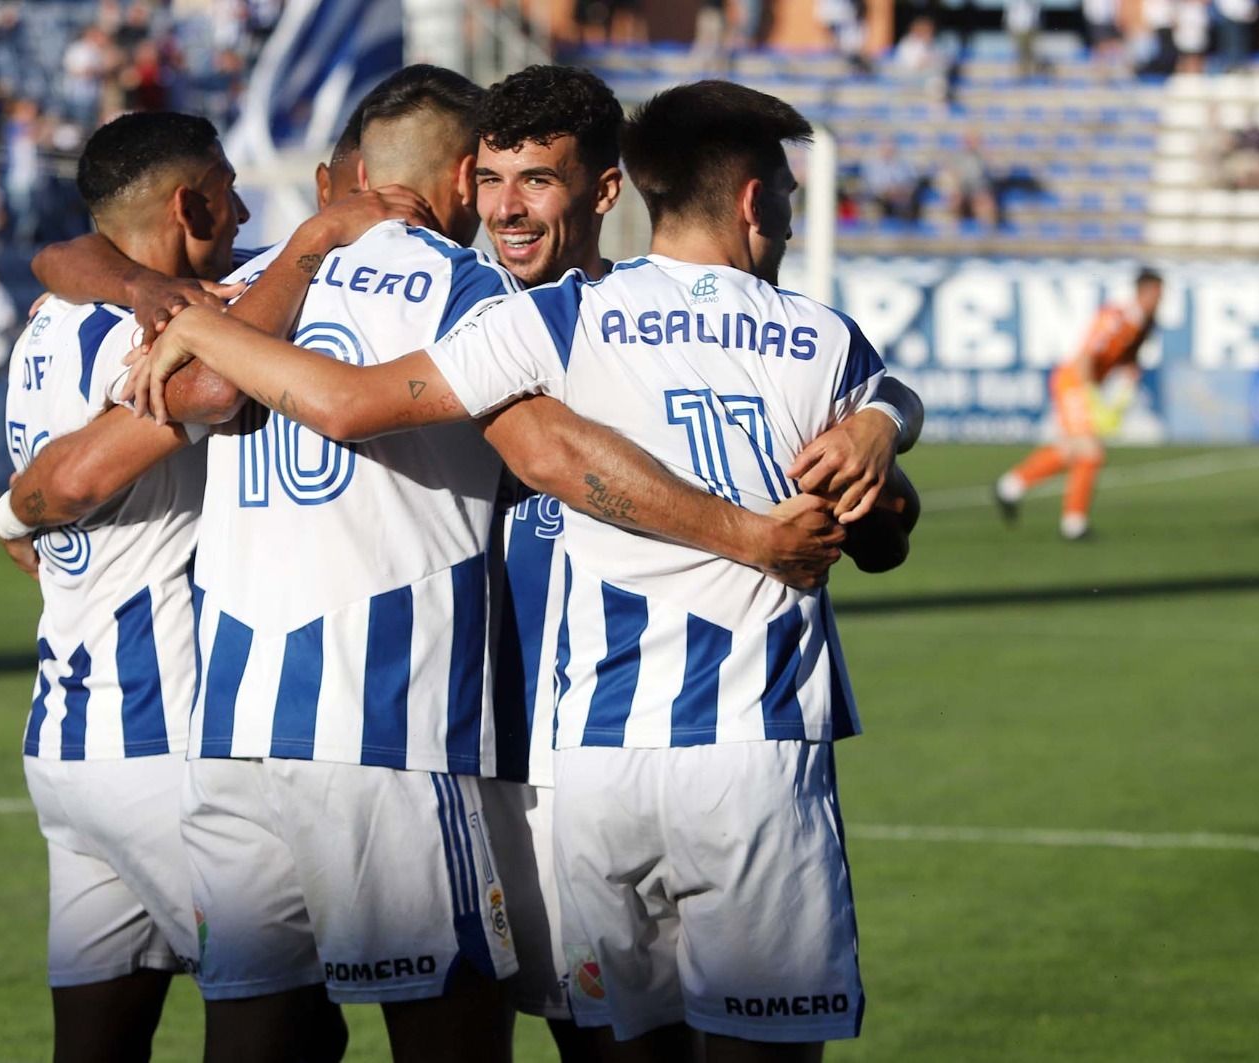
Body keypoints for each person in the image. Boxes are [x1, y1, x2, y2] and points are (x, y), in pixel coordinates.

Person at [134, 79, 911, 1059]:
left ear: (605, 191)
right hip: (537, 752)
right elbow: (531, 449)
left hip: (561, 756)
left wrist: (881, 430)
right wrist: (843, 455)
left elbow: (879, 506)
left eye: (535, 181)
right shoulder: (539, 315)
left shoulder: (563, 317)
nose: (505, 207)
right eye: (491, 180)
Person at [0, 110, 422, 1063]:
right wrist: (312, 241)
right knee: (289, 1023)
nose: (241, 210)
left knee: (98, 1039)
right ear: (192, 201)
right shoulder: (135, 328)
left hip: (70, 738)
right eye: (228, 188)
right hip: (162, 735)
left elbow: (61, 254)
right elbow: (211, 393)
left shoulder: (61, 312)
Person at [995, 268, 1164, 540]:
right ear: (1143, 292)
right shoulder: (1117, 318)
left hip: (1087, 385)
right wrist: (1091, 397)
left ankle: (1010, 486)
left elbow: (1129, 358)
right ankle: (1074, 524)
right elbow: (1086, 357)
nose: (1160, 300)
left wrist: (1127, 382)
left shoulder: (1145, 324)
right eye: (1157, 293)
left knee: (1071, 451)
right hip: (1074, 382)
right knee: (1090, 452)